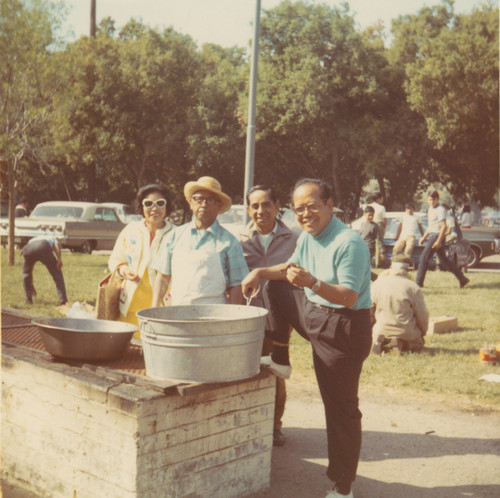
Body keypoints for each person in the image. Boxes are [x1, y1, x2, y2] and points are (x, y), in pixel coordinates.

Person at [242, 178, 372, 498]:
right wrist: (258, 272)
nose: (306, 214)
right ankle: (281, 357)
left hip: (343, 327)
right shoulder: (308, 237)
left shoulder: (348, 242)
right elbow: (290, 268)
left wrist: (312, 282)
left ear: (330, 205)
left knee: (340, 408)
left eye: (312, 206)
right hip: (315, 313)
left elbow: (349, 297)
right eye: (299, 209)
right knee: (276, 283)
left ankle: (343, 488)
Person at [239, 185, 298, 447]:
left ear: (277, 207)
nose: (260, 211)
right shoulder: (239, 237)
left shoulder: (294, 237)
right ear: (248, 209)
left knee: (274, 372)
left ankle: (274, 425)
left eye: (266, 205)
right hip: (246, 315)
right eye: (255, 206)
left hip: (280, 316)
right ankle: (245, 423)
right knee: (243, 370)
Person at [152, 176, 248, 306]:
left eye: (210, 199)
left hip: (215, 317)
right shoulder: (173, 237)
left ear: (219, 205)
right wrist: (154, 307)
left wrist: (234, 318)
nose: (203, 204)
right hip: (178, 315)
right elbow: (163, 277)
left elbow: (236, 285)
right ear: (191, 203)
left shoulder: (229, 242)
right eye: (199, 199)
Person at [108, 184, 173, 327]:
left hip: (164, 307)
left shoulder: (177, 234)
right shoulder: (131, 230)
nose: (154, 208)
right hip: (130, 305)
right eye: (148, 203)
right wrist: (124, 270)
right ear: (141, 207)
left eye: (160, 203)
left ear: (167, 206)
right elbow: (115, 259)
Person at [371, 254, 429, 355]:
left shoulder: (377, 284)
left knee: (378, 332)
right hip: (406, 331)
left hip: (381, 330)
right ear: (408, 270)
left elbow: (369, 311)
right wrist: (422, 333)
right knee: (417, 344)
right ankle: (402, 343)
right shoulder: (413, 287)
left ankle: (382, 341)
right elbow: (422, 316)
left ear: (390, 267)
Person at [416, 191, 469, 289]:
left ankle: (418, 284)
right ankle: (463, 279)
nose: (432, 202)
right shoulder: (430, 209)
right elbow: (430, 226)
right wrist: (423, 238)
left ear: (438, 199)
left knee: (423, 259)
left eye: (434, 199)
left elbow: (444, 227)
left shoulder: (440, 210)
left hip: (437, 236)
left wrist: (438, 241)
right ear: (428, 200)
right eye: (430, 200)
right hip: (433, 235)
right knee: (444, 261)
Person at [22, 235, 68, 305]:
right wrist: (59, 259)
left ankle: (28, 299)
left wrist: (30, 284)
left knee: (26, 274)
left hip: (27, 249)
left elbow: (25, 250)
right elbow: (56, 246)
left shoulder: (33, 239)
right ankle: (63, 301)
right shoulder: (52, 238)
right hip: (42, 246)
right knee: (56, 273)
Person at [369, 192, 386, 268]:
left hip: (370, 224)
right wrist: (383, 227)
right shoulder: (381, 207)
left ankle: (369, 262)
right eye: (381, 198)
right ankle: (377, 263)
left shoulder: (369, 206)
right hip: (379, 224)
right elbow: (385, 220)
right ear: (378, 199)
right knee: (379, 244)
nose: (382, 199)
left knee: (369, 243)